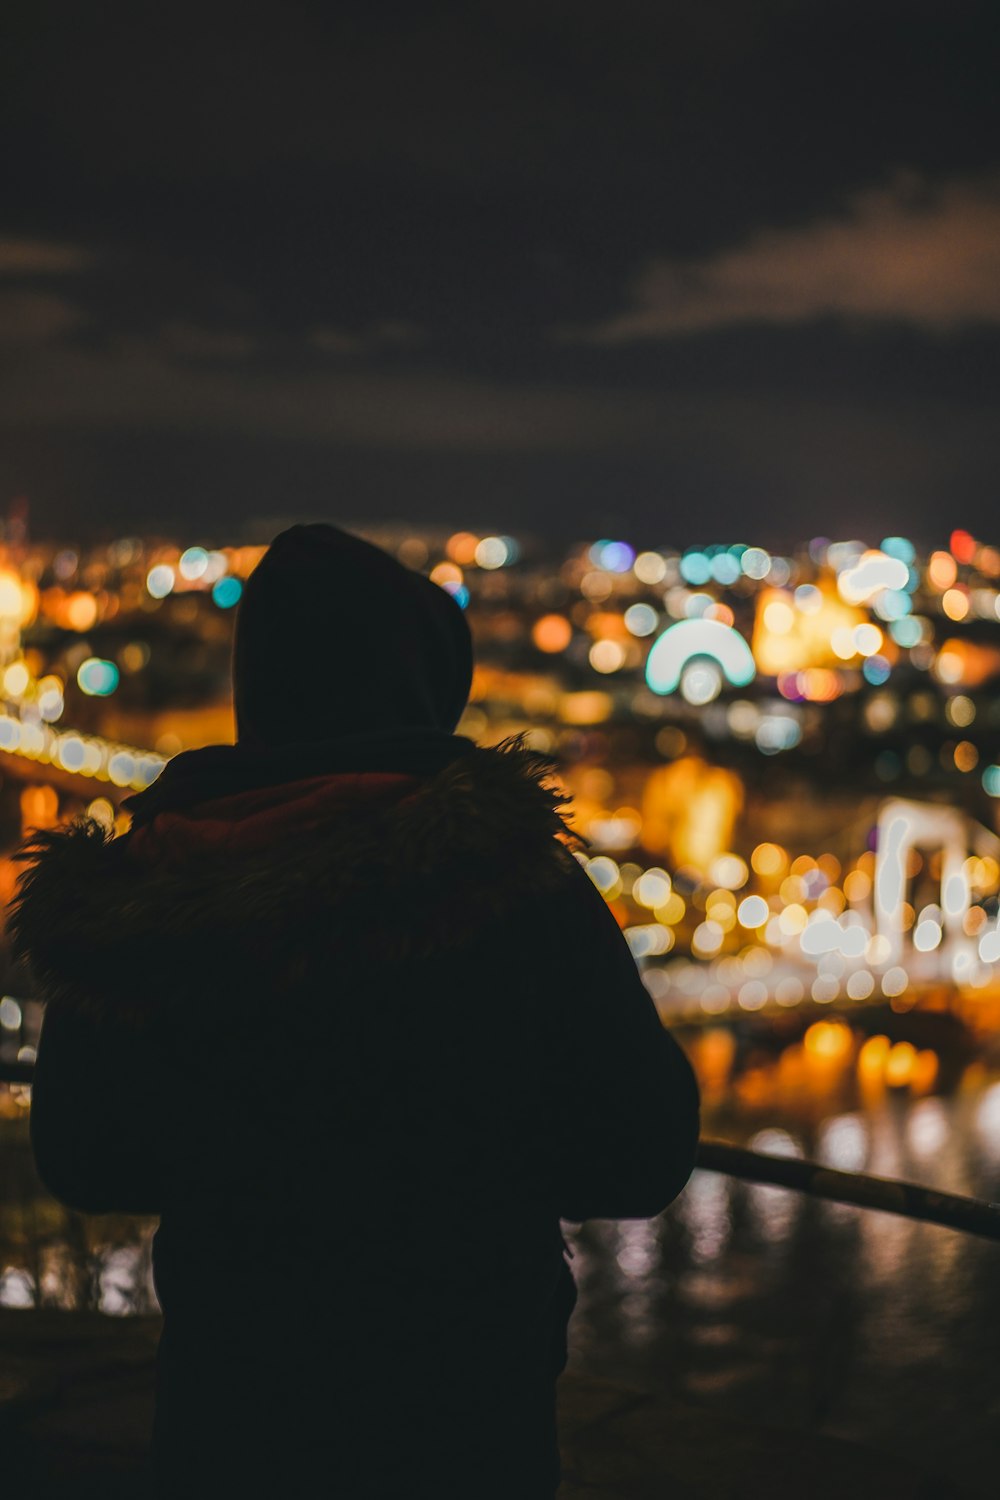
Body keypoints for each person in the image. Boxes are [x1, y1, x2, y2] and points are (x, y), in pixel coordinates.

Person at [12, 523, 700, 1498]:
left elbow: (84, 1157)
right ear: (419, 694)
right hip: (464, 1417)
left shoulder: (148, 887)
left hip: (231, 1418)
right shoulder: (508, 882)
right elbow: (644, 1147)